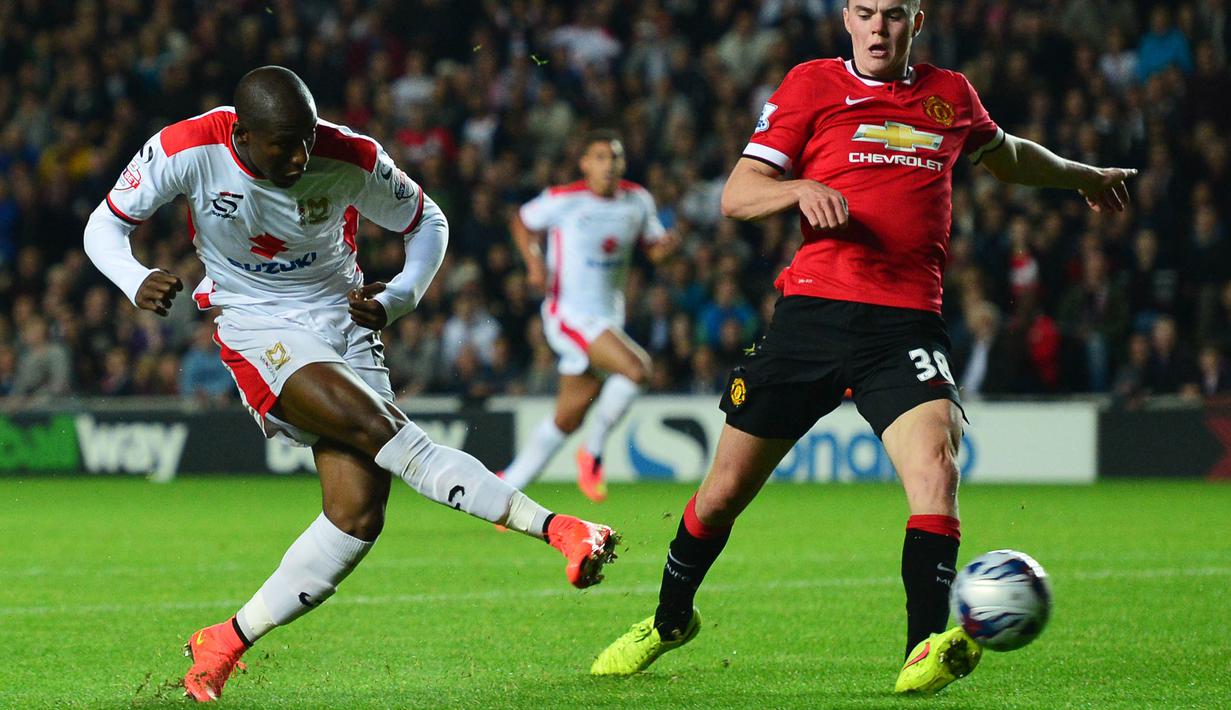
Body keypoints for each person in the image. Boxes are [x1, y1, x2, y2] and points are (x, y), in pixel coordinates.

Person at [590, 0, 1136, 695]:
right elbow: (735, 194)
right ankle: (668, 620)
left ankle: (920, 649)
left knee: (936, 468)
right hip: (809, 317)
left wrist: (1083, 176)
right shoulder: (810, 85)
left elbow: (1010, 159)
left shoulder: (950, 95)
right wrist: (799, 189)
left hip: (904, 325)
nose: (878, 28)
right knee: (722, 493)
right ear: (847, 18)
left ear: (917, 21)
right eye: (865, 12)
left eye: (893, 15)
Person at [82, 66, 620, 703]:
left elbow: (429, 223)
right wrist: (132, 277)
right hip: (256, 322)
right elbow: (103, 226)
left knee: (357, 514)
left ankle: (225, 639)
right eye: (283, 143)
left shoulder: (349, 154)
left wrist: (398, 297)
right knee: (380, 430)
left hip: (343, 314)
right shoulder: (185, 149)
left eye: (306, 138)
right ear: (243, 136)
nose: (301, 155)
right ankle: (559, 529)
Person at [500, 130, 677, 502]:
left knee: (567, 417)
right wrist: (533, 262)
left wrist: (668, 251)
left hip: (608, 320)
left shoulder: (638, 201)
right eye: (599, 157)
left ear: (623, 163)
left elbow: (653, 251)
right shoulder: (564, 200)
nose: (608, 165)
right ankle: (592, 453)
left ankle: (504, 490)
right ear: (584, 164)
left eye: (614, 157)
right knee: (638, 370)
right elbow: (522, 220)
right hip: (568, 315)